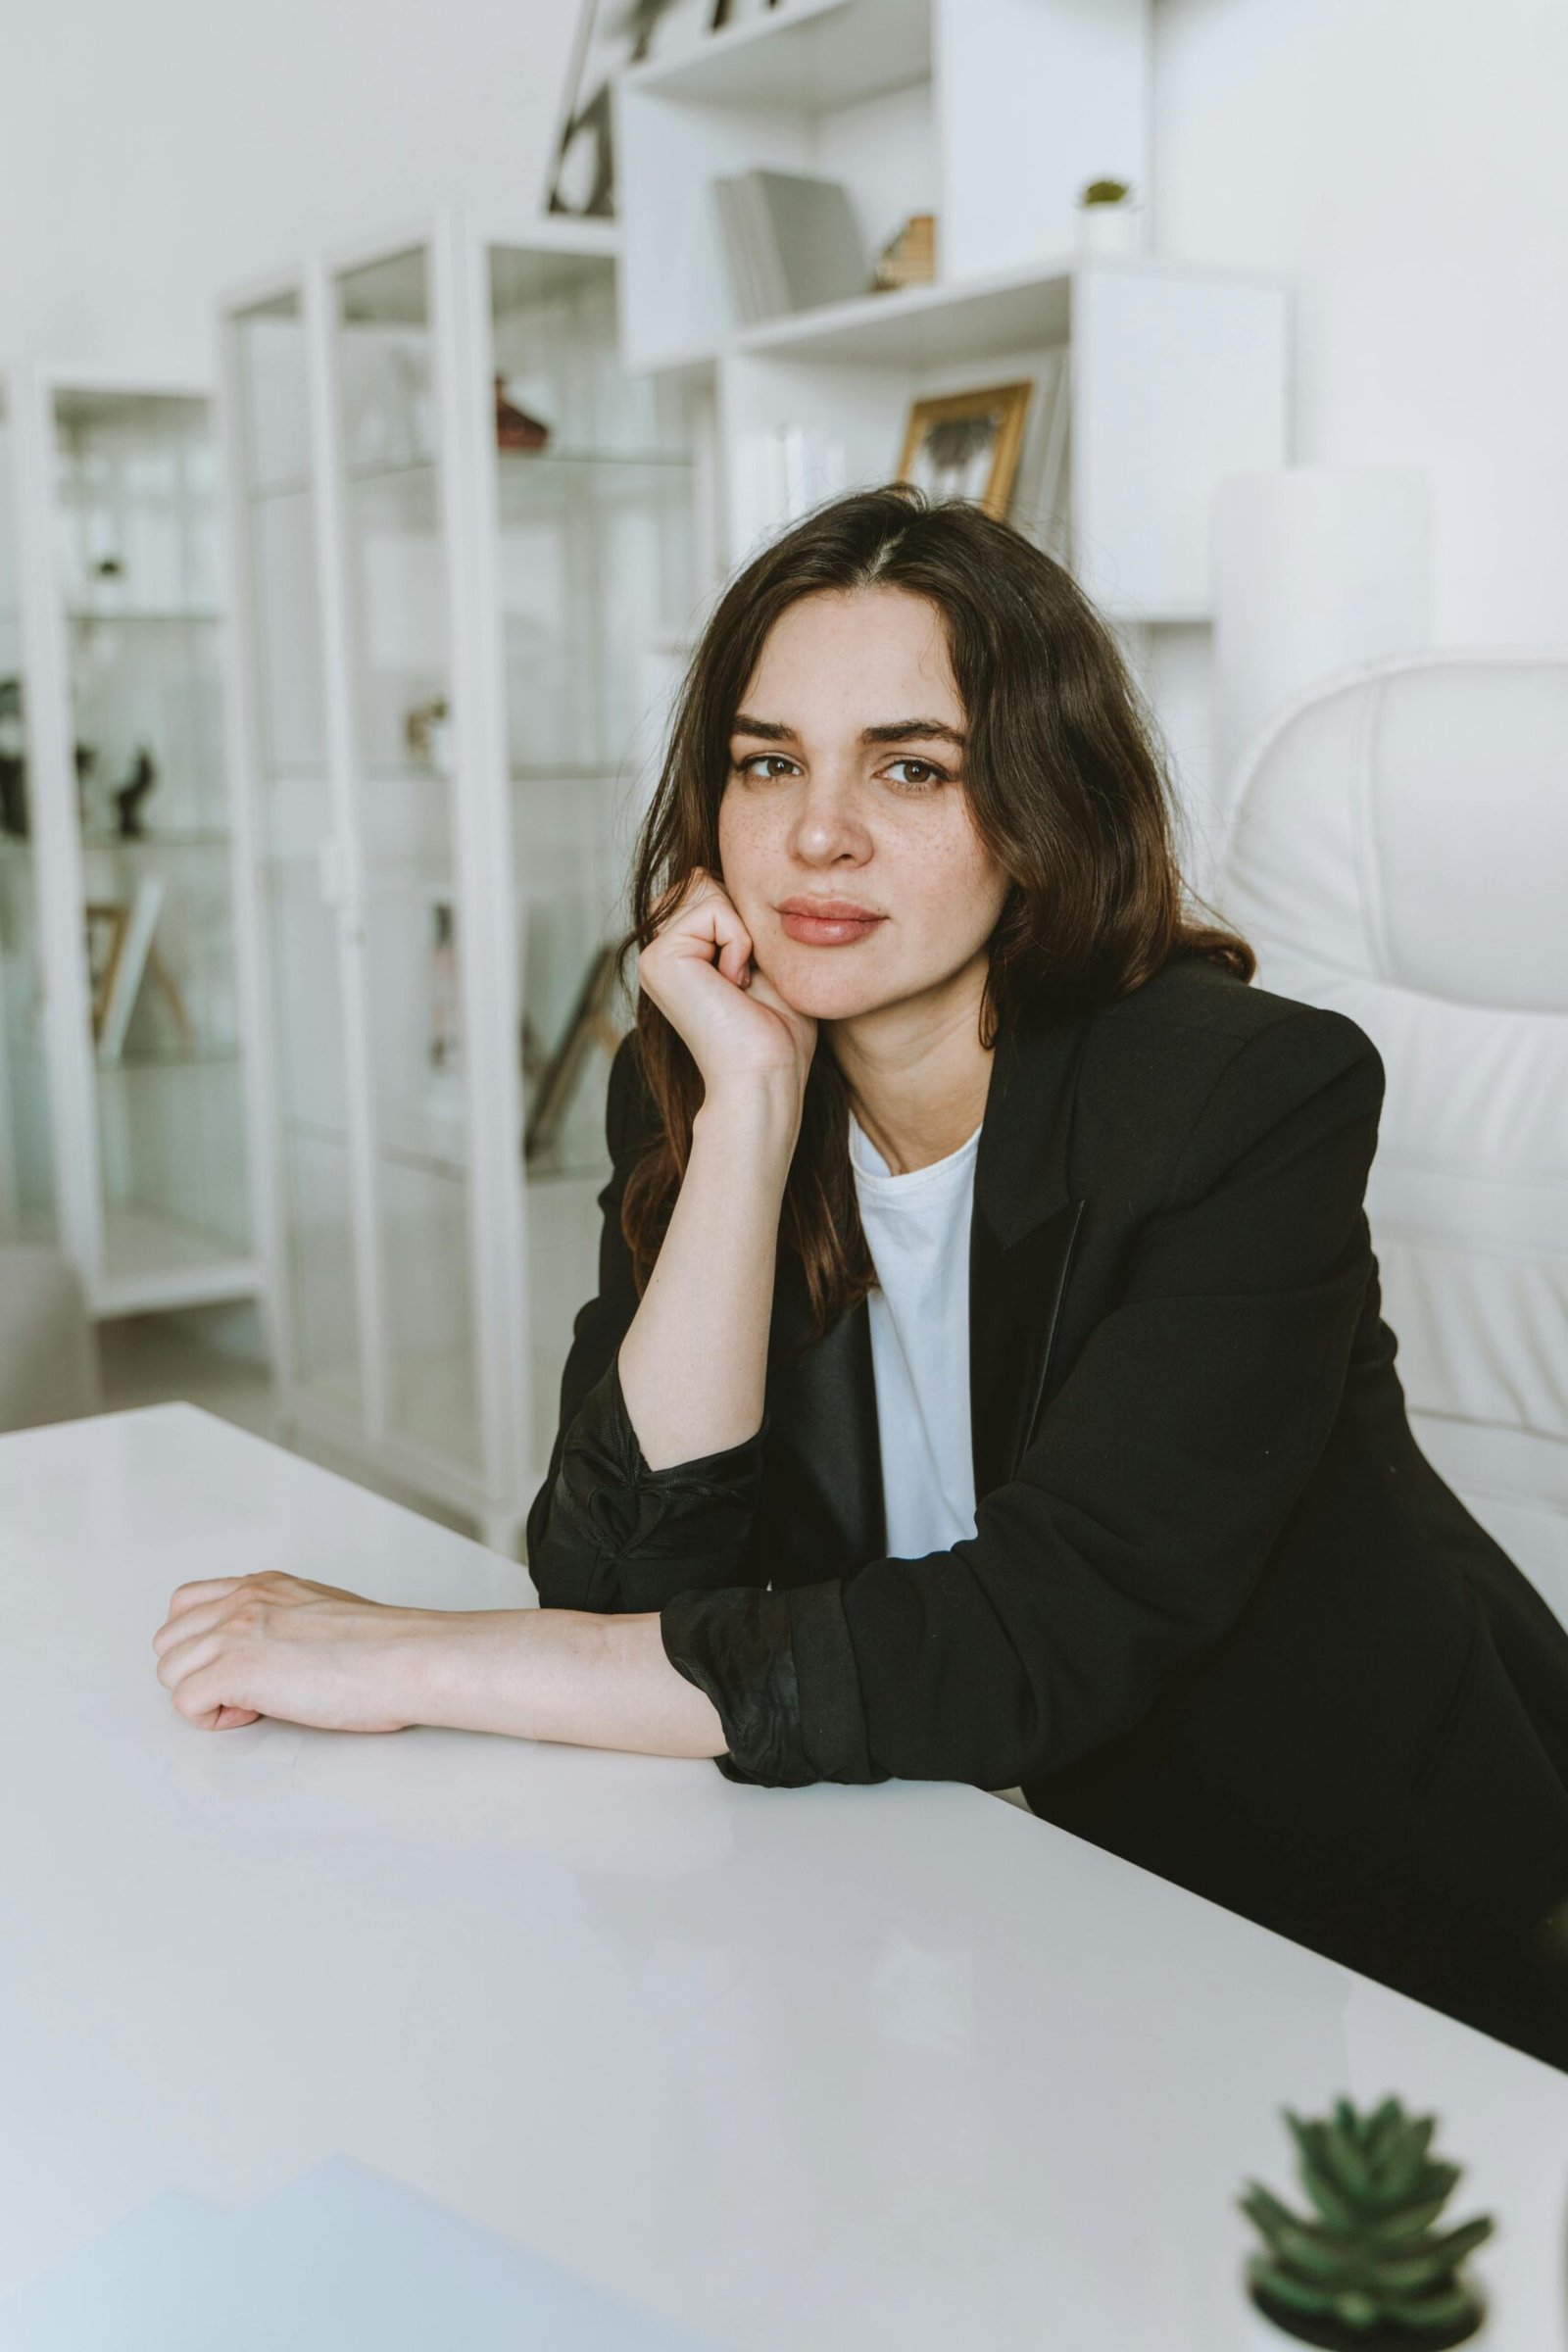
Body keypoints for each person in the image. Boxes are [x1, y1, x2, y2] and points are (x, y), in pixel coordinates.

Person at [153, 484, 1568, 2073]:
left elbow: (1037, 1642)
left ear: (1043, 808)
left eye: (911, 766)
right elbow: (624, 1589)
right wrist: (749, 1123)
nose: (818, 834)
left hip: (1349, 1953)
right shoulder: (700, 1073)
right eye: (769, 764)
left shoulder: (1244, 1102)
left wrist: (421, 1657)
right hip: (953, 1906)